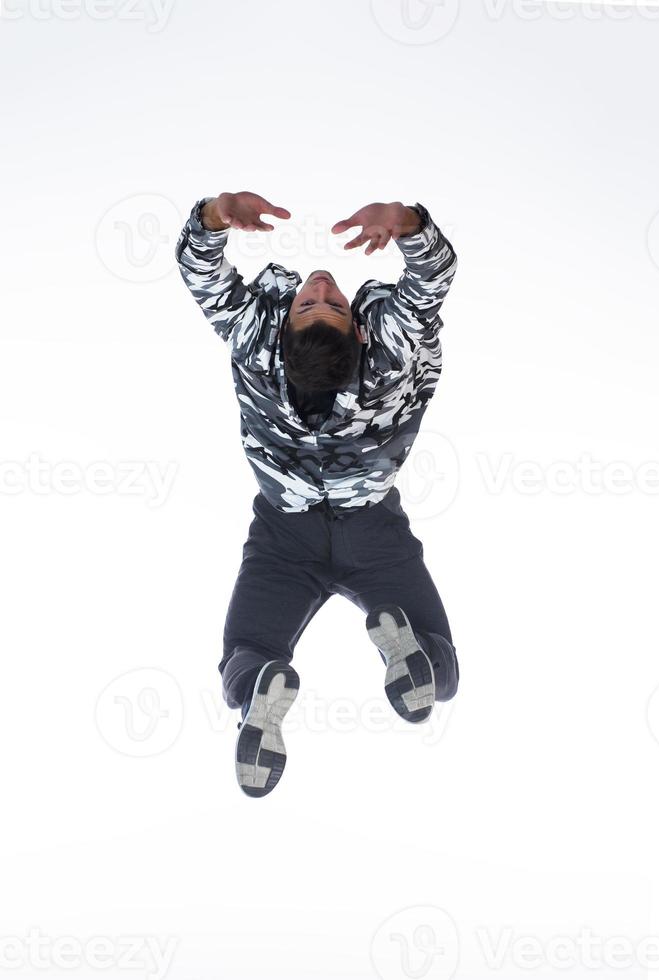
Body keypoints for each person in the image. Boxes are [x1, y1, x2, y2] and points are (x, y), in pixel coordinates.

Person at [175, 191, 460, 797]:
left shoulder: (256, 342)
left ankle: (261, 691)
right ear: (359, 327)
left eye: (314, 301)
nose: (323, 285)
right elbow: (431, 279)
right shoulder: (386, 351)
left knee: (248, 650)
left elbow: (202, 272)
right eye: (322, 301)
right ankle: (411, 659)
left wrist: (214, 215)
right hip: (373, 535)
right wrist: (407, 225)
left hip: (283, 538)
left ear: (283, 328)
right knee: (443, 673)